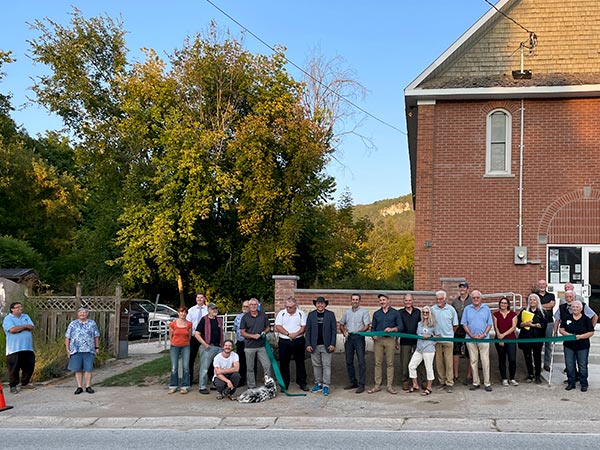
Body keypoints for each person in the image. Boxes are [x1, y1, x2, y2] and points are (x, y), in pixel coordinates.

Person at [368, 294, 403, 395]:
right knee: (377, 363)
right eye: (380, 300)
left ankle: (389, 385)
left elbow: (400, 326)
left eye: (384, 300)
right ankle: (377, 385)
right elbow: (373, 328)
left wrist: (392, 329)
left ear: (388, 300)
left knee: (390, 363)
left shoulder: (395, 313)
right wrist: (373, 335)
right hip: (378, 340)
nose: (382, 302)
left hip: (390, 340)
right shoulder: (376, 314)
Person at [559, 300, 595, 392]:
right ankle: (571, 382)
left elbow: (591, 332)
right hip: (569, 345)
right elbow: (561, 329)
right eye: (573, 307)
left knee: (582, 365)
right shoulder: (567, 317)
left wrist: (580, 337)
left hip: (583, 345)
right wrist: (568, 335)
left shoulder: (586, 319)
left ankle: (584, 383)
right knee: (569, 364)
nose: (575, 309)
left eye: (577, 307)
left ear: (581, 309)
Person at [274, 297, 308, 392]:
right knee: (284, 363)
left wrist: (295, 334)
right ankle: (284, 384)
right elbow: (278, 326)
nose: (288, 309)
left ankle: (302, 382)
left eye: (290, 307)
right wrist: (288, 334)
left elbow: (303, 327)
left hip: (298, 340)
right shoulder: (282, 313)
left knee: (300, 362)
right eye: (287, 306)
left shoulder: (301, 313)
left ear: (295, 306)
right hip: (284, 341)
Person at [462, 290, 494, 392]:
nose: (476, 299)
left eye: (477, 297)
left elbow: (489, 324)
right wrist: (471, 335)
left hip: (484, 339)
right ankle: (476, 382)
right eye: (474, 298)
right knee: (473, 361)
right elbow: (464, 324)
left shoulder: (486, 309)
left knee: (485, 361)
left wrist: (484, 334)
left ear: (481, 298)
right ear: (472, 299)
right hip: (470, 339)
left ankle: (487, 383)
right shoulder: (467, 309)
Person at [339, 293, 371, 394]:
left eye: (357, 299)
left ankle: (362, 384)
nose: (355, 301)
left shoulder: (364, 312)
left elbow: (367, 326)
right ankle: (353, 382)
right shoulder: (347, 312)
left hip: (359, 338)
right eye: (353, 299)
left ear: (359, 301)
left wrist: (359, 331)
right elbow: (341, 324)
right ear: (351, 301)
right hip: (349, 339)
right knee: (349, 361)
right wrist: (344, 331)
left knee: (361, 361)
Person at [306, 296, 337, 396]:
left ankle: (326, 385)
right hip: (314, 345)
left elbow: (334, 330)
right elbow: (308, 330)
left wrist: (333, 343)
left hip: (326, 345)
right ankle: (318, 383)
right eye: (318, 303)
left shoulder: (330, 315)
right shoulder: (311, 315)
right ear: (315, 304)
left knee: (326, 365)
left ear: (325, 304)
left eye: (322, 303)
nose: (320, 305)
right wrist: (308, 344)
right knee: (316, 365)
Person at [2, 302, 36, 394]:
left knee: (29, 365)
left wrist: (20, 328)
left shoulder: (26, 316)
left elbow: (32, 327)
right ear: (12, 309)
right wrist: (25, 326)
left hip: (27, 347)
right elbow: (12, 330)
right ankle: (13, 385)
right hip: (14, 348)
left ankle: (25, 383)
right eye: (17, 307)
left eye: (21, 306)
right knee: (14, 368)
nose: (20, 308)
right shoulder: (8, 318)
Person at [65, 307, 100, 395]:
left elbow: (96, 336)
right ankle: (79, 387)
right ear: (77, 314)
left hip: (89, 349)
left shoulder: (92, 323)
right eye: (80, 313)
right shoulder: (73, 324)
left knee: (88, 369)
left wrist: (96, 347)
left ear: (87, 314)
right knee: (78, 369)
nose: (82, 314)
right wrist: (68, 350)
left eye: (84, 313)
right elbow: (67, 337)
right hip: (76, 350)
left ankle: (88, 386)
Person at [240, 297, 272, 389]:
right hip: (249, 346)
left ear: (258, 305)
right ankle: (251, 386)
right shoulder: (245, 317)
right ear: (249, 306)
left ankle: (268, 385)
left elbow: (268, 327)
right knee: (250, 368)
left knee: (267, 365)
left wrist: (264, 332)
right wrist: (253, 336)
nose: (253, 306)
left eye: (255, 304)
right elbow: (242, 332)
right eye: (252, 304)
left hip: (262, 345)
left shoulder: (263, 315)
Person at [430, 290, 458, 393]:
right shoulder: (432, 309)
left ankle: (449, 383)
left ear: (445, 299)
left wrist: (450, 334)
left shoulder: (451, 310)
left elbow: (455, 325)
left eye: (441, 299)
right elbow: (429, 323)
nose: (438, 301)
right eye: (437, 299)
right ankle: (441, 382)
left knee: (449, 362)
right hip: (436, 340)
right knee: (438, 362)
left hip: (448, 340)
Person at [408, 306, 438, 396]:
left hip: (429, 349)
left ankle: (429, 387)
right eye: (423, 312)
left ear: (430, 313)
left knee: (428, 368)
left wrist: (430, 336)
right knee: (411, 366)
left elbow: (438, 336)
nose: (425, 314)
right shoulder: (419, 324)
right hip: (419, 348)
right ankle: (415, 384)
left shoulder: (434, 324)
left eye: (427, 312)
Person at [517, 293, 547, 384]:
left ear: (537, 301)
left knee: (537, 356)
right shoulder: (524, 311)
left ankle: (537, 375)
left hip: (537, 337)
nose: (532, 301)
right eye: (531, 300)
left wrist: (533, 325)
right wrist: (525, 324)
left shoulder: (542, 312)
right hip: (526, 336)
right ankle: (530, 374)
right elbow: (518, 324)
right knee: (527, 356)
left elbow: (544, 325)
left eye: (534, 300)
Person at [194, 302, 223, 395]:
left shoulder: (219, 320)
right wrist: (205, 344)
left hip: (218, 346)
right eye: (213, 309)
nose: (215, 310)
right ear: (208, 310)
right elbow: (197, 334)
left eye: (216, 309)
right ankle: (202, 386)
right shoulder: (204, 320)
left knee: (217, 367)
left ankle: (215, 384)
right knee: (205, 368)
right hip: (208, 346)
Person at [398, 293, 423, 391]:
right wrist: (396, 341)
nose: (408, 302)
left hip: (417, 341)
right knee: (405, 363)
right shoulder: (400, 312)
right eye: (406, 300)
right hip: (404, 341)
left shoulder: (418, 312)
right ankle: (405, 382)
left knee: (420, 362)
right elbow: (398, 327)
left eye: (410, 300)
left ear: (413, 301)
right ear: (403, 301)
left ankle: (423, 382)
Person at [492, 297, 518, 386]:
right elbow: (495, 327)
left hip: (511, 339)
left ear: (508, 304)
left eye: (505, 303)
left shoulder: (513, 314)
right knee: (502, 359)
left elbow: (513, 327)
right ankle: (504, 378)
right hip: (499, 339)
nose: (503, 304)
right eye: (501, 303)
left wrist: (503, 335)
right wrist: (500, 337)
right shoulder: (495, 314)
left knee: (512, 359)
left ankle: (512, 378)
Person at [451, 281, 473, 385]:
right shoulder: (455, 301)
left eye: (464, 287)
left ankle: (469, 375)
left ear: (467, 289)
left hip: (469, 329)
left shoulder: (472, 300)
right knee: (455, 351)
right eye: (461, 287)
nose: (462, 289)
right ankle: (455, 375)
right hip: (457, 328)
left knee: (470, 352)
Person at [167, 306, 192, 394]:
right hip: (174, 346)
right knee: (174, 367)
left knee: (185, 367)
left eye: (185, 312)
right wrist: (173, 342)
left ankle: (185, 386)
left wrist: (185, 343)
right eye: (181, 312)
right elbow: (170, 335)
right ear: (178, 313)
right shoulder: (173, 324)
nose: (183, 314)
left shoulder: (189, 324)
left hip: (186, 346)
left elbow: (189, 336)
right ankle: (173, 385)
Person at [186, 292, 208, 384]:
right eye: (198, 297)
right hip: (194, 336)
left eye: (201, 297)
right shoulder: (191, 310)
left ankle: (208, 378)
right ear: (196, 299)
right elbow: (188, 323)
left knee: (207, 357)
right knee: (191, 357)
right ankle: (189, 378)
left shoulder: (207, 310)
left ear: (204, 299)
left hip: (205, 336)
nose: (199, 299)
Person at [536, 280, 555, 372]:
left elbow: (551, 306)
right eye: (540, 284)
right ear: (537, 285)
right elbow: (534, 306)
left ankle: (547, 364)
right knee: (538, 344)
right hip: (538, 322)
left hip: (549, 322)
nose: (542, 286)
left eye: (543, 284)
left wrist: (539, 306)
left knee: (548, 344)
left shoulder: (551, 295)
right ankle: (537, 364)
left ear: (546, 285)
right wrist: (545, 306)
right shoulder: (534, 296)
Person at [233, 300, 250, 386]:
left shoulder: (252, 317)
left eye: (247, 307)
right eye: (244, 306)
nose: (245, 308)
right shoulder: (238, 317)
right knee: (241, 361)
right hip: (240, 342)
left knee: (251, 362)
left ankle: (251, 380)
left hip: (250, 342)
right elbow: (235, 329)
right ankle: (241, 380)